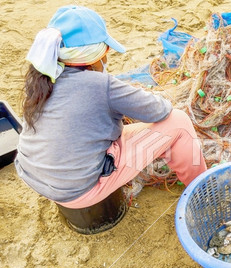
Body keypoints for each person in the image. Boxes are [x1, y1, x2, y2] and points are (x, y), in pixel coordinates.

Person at [15, 5, 207, 210]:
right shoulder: (101, 85)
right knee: (178, 122)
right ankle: (202, 192)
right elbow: (160, 110)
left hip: (32, 175)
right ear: (93, 56)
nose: (106, 60)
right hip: (78, 192)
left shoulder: (38, 77)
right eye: (105, 51)